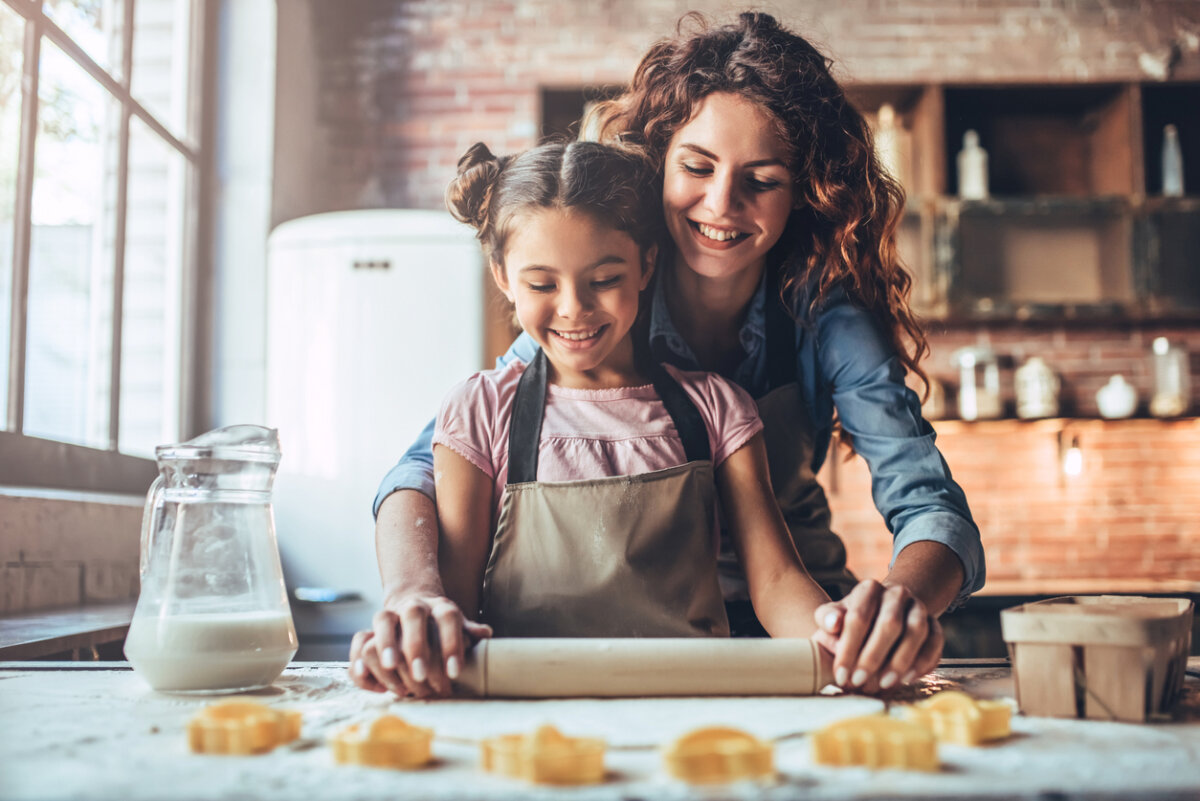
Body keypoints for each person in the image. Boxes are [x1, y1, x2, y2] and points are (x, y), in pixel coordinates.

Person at [354, 11, 984, 699]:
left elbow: (928, 503)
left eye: (762, 180)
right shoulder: (598, 303)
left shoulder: (822, 316)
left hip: (792, 640)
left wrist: (895, 605)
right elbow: (426, 468)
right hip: (612, 647)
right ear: (658, 161)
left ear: (805, 189)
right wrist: (414, 593)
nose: (722, 203)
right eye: (697, 166)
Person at [350, 139, 832, 697]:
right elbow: (452, 597)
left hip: (688, 705)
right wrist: (420, 639)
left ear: (646, 263)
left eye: (603, 280)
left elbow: (776, 581)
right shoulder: (479, 410)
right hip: (522, 713)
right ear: (502, 274)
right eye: (542, 284)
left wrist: (837, 640)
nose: (574, 307)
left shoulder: (717, 408)